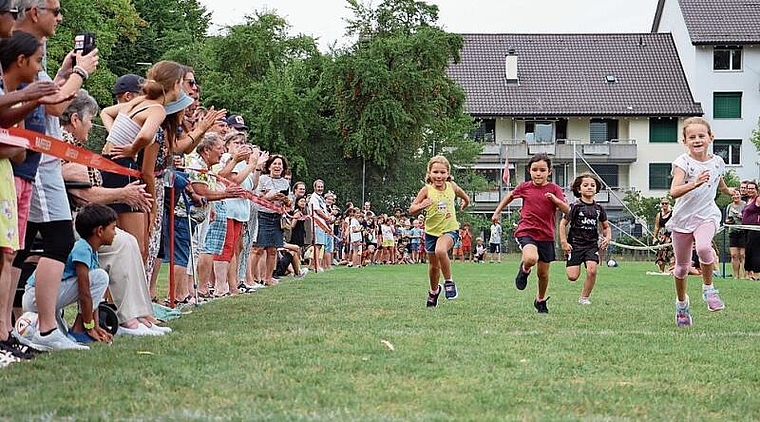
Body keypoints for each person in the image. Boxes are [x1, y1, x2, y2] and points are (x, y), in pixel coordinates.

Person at [9, 2, 100, 352]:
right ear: (34, 11)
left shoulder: (34, 55)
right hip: (38, 162)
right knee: (59, 241)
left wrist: (63, 75)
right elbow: (56, 107)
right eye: (55, 10)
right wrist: (82, 73)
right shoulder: (20, 49)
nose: (60, 17)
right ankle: (44, 327)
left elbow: (48, 95)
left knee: (18, 248)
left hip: (34, 162)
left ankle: (12, 326)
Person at [666, 117, 733, 327]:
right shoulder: (683, 163)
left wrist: (728, 191)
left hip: (707, 215)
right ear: (685, 141)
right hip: (683, 218)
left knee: (704, 248)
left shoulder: (717, 162)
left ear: (710, 138)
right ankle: (682, 304)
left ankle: (709, 290)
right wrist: (694, 183)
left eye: (701, 136)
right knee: (681, 268)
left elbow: (719, 181)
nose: (697, 140)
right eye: (692, 137)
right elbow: (674, 192)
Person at [21, 204, 117, 350]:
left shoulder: (90, 250)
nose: (115, 233)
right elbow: (85, 293)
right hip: (35, 297)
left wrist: (96, 326)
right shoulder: (82, 248)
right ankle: (79, 330)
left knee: (62, 337)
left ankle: (75, 330)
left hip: (41, 298)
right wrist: (89, 327)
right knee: (101, 277)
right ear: (100, 231)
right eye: (113, 228)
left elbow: (92, 295)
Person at [492, 153, 569, 313]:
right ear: (529, 170)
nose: (538, 173)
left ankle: (540, 300)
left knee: (543, 274)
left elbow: (567, 210)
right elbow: (509, 197)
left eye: (542, 170)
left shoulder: (554, 189)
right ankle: (524, 269)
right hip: (526, 230)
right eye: (535, 170)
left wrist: (555, 200)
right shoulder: (525, 187)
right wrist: (497, 212)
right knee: (531, 258)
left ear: (549, 172)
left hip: (546, 235)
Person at [409, 155, 470, 307]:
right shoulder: (426, 190)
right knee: (433, 267)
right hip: (431, 233)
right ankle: (434, 291)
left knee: (441, 251)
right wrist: (422, 205)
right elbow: (412, 209)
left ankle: (449, 282)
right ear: (429, 173)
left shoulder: (452, 186)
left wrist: (465, 203)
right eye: (435, 172)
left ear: (448, 174)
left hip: (450, 230)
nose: (439, 176)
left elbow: (465, 196)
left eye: (442, 172)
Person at [559, 173, 611, 305]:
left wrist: (608, 237)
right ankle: (575, 260)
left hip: (591, 245)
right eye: (586, 185)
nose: (589, 188)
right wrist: (564, 242)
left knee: (592, 270)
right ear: (579, 189)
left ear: (597, 189)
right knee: (572, 276)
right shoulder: (575, 207)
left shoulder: (599, 209)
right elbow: (563, 223)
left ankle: (584, 298)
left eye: (592, 185)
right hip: (575, 245)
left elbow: (606, 227)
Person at [725, 189, 746, 279]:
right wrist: (728, 221)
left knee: (743, 255)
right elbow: (726, 219)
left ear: (740, 195)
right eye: (733, 195)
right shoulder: (729, 206)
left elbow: (748, 217)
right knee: (734, 255)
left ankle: (745, 275)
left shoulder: (745, 205)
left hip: (743, 231)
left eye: (737, 194)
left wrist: (739, 215)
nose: (735, 196)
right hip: (733, 231)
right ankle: (735, 276)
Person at [741, 181, 760, 280]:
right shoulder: (748, 200)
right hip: (747, 229)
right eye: (748, 188)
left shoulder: (758, 199)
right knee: (748, 252)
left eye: (752, 188)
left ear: (756, 190)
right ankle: (748, 274)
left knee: (755, 252)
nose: (750, 190)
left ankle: (757, 274)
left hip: (755, 229)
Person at [653, 198, 673, 273]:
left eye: (666, 203)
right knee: (660, 252)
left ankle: (672, 270)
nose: (664, 205)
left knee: (671, 253)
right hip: (662, 236)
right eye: (663, 203)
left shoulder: (672, 213)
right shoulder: (659, 215)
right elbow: (656, 226)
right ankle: (661, 270)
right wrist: (654, 237)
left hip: (671, 235)